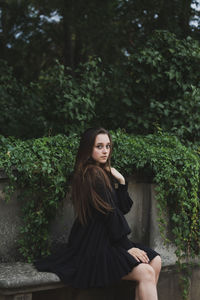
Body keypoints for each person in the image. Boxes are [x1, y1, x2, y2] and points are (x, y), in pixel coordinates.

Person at [34, 127, 161, 300]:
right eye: (99, 146)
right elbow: (110, 214)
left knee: (155, 261)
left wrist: (122, 182)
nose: (105, 151)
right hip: (93, 245)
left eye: (108, 146)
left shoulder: (101, 172)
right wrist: (128, 246)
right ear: (88, 149)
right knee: (146, 271)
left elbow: (121, 208)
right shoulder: (92, 175)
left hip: (107, 240)